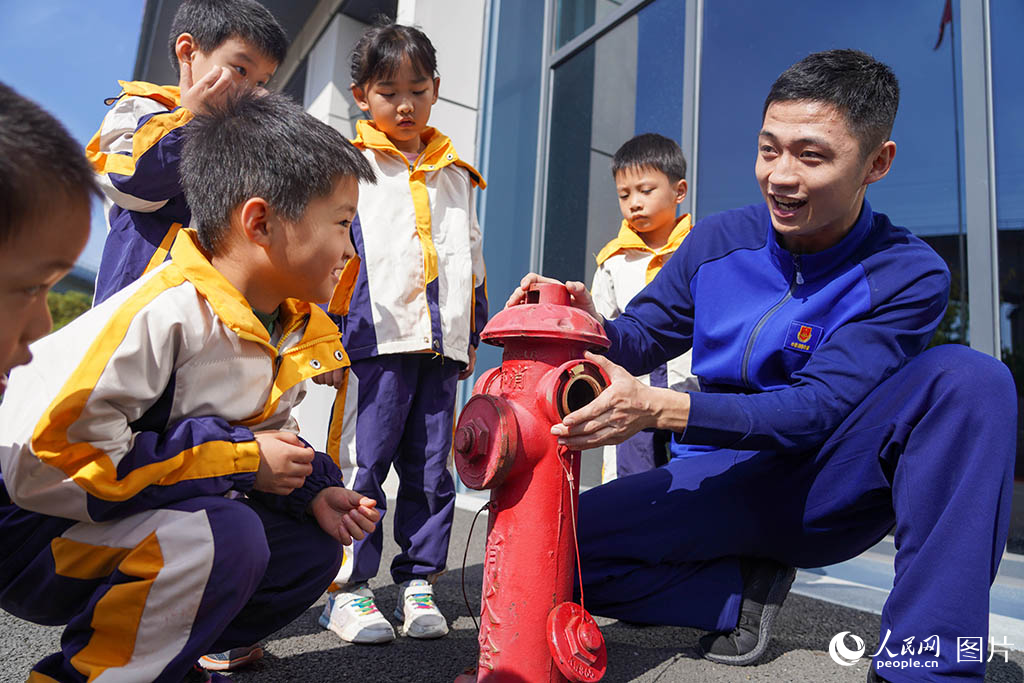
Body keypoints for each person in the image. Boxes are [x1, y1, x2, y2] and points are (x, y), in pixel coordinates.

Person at [509, 49, 1015, 682]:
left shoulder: (907, 272)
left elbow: (817, 410)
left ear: (876, 163)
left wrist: (663, 409)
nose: (780, 175)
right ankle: (738, 594)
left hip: (821, 487)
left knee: (971, 380)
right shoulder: (718, 240)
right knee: (545, 553)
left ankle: (925, 665)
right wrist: (588, 323)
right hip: (715, 481)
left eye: (812, 155)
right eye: (768, 148)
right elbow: (641, 335)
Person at [0, 90, 382, 683]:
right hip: (30, 533)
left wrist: (311, 491)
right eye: (341, 224)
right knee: (224, 536)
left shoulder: (280, 324)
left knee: (308, 549)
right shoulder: (165, 311)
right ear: (259, 222)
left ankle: (165, 660)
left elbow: (268, 435)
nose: (349, 252)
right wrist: (242, 459)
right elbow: (51, 462)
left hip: (118, 519)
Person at [312, 22, 487, 645]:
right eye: (389, 92)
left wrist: (471, 333)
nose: (405, 104)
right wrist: (322, 339)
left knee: (430, 469)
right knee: (362, 466)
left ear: (437, 88)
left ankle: (418, 583)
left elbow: (470, 255)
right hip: (372, 343)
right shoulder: (347, 167)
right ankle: (346, 589)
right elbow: (328, 254)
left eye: (417, 89)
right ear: (362, 95)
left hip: (440, 347)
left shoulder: (457, 173)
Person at [86, 0, 287, 304]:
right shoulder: (143, 108)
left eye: (261, 82)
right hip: (140, 299)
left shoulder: (244, 145)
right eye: (241, 69)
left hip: (214, 309)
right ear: (188, 53)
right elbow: (131, 183)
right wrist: (191, 118)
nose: (251, 90)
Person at [591, 133, 699, 483]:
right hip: (632, 397)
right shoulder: (613, 262)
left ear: (679, 191)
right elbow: (600, 329)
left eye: (645, 191)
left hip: (691, 395)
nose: (634, 203)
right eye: (625, 195)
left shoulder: (700, 253)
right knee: (633, 485)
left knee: (690, 485)